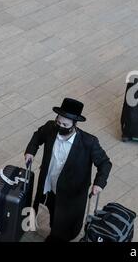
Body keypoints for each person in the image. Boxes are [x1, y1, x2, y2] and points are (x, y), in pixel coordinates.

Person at [24, 98, 112, 241]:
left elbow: (105, 163)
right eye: (58, 122)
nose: (60, 126)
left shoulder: (89, 142)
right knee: (53, 210)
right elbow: (37, 136)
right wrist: (30, 151)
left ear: (74, 125)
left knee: (65, 221)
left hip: (72, 191)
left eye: (65, 124)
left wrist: (99, 183)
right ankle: (54, 230)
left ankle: (58, 238)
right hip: (51, 183)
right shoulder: (50, 128)